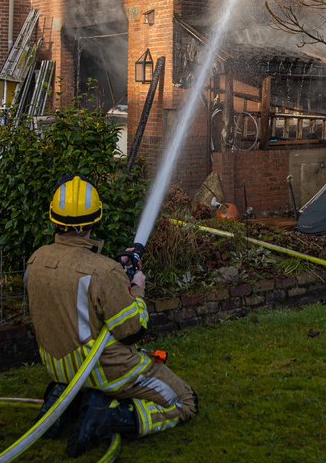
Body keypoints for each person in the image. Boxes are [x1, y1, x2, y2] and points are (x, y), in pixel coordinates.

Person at [25, 175, 197, 457]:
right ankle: (106, 417)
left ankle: (62, 404)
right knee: (184, 401)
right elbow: (131, 331)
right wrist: (136, 289)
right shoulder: (103, 272)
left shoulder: (36, 260)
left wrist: (118, 278)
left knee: (83, 384)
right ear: (95, 220)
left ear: (54, 218)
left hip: (61, 370)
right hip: (102, 370)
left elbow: (72, 299)